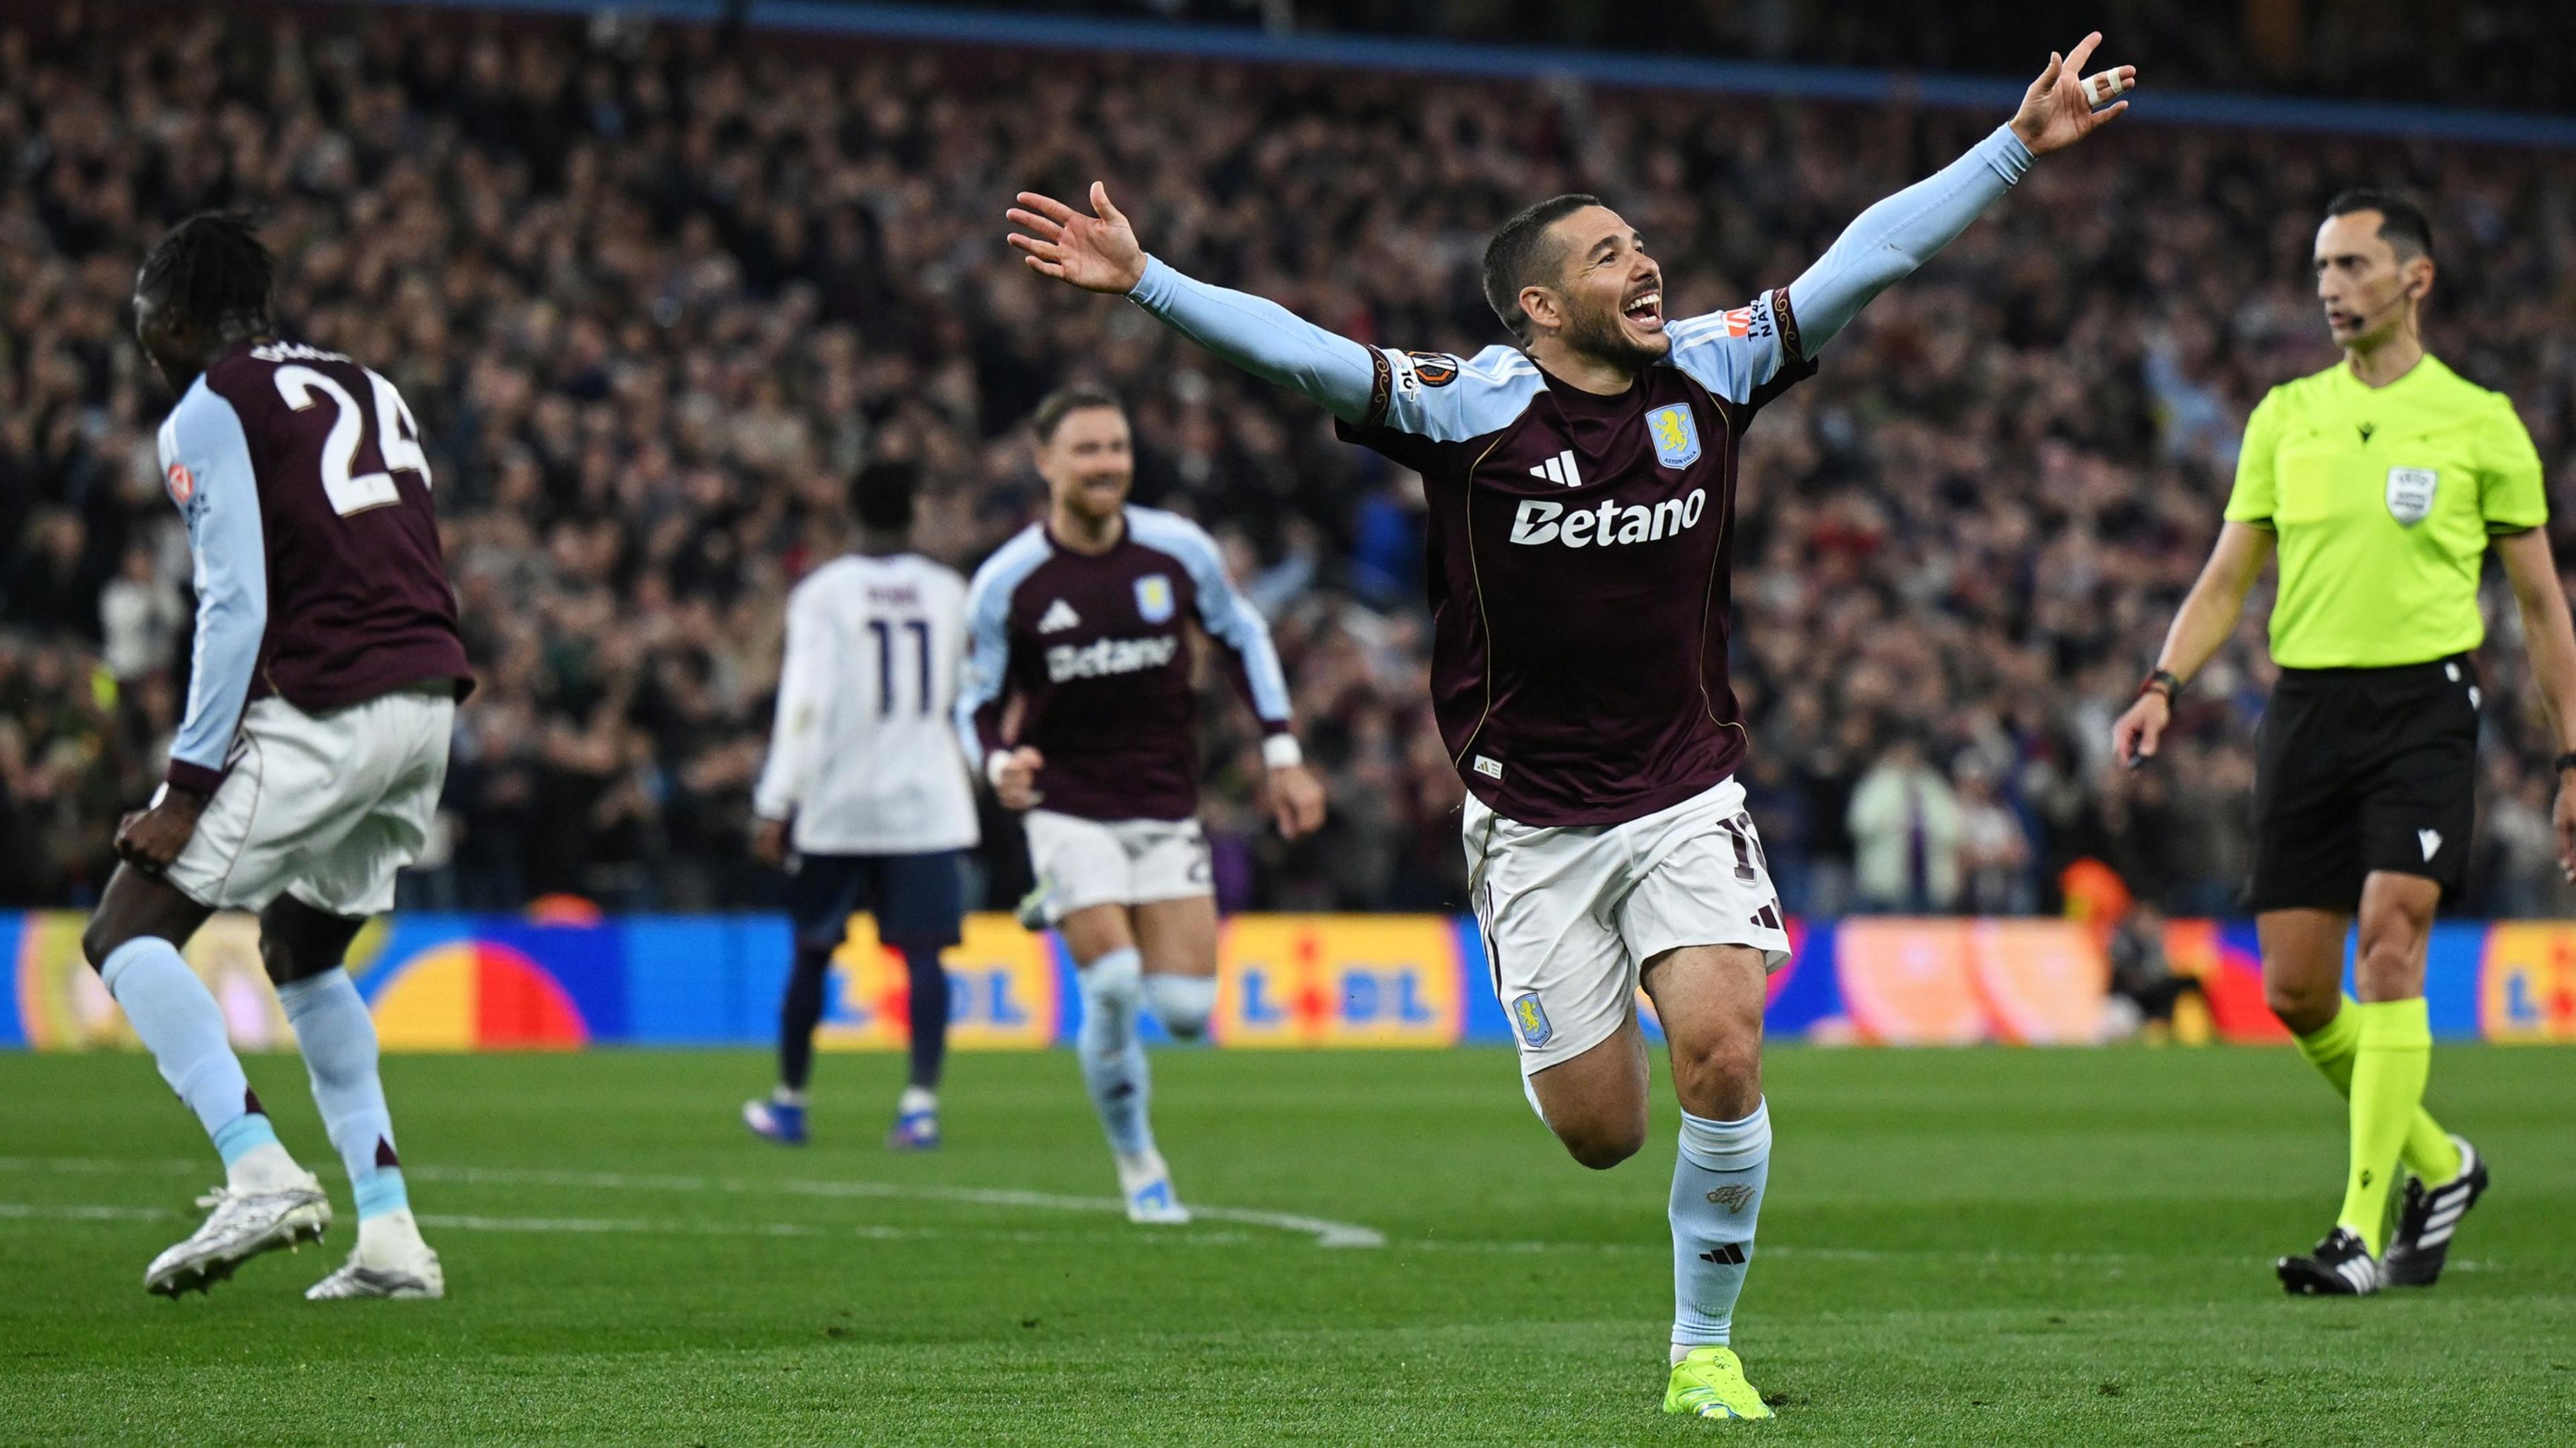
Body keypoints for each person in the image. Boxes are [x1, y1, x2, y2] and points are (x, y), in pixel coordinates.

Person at [1007, 36, 2134, 1419]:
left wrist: (2013, 147)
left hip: (1682, 789)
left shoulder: (1715, 372)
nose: (1645, 264)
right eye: (1611, 256)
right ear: (1541, 305)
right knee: (1603, 1130)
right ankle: (1571, 1051)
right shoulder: (1473, 402)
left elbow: (1871, 258)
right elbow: (1306, 357)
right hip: (1531, 818)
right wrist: (1153, 285)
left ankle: (1702, 1349)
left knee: (1724, 1043)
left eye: (1643, 243)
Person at [2114, 189, 2576, 1294]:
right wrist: (2165, 678)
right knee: (2298, 989)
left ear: (2415, 279)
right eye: (2322, 266)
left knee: (2390, 941)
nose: (2331, 285)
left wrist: (2572, 758)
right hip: (2307, 711)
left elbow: (2543, 606)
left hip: (2424, 708)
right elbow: (2229, 575)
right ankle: (2440, 1160)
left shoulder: (2480, 422)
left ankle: (2361, 1230)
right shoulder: (2286, 416)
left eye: (2356, 264)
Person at [83, 214, 470, 1299]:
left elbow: (238, 599)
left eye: (144, 313)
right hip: (429, 697)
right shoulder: (369, 382)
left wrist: (188, 784)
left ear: (173, 309)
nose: (141, 335)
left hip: (331, 698)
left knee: (126, 927)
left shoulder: (210, 407)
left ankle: (257, 1164)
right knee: (303, 949)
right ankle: (390, 1232)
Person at [956, 385, 1328, 1223]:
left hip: (1164, 803)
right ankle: (1138, 1164)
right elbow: (973, 699)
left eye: (1116, 448)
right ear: (1046, 462)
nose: (1106, 465)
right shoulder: (1008, 581)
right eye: (1086, 450)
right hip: (1067, 804)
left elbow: (1244, 636)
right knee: (1116, 984)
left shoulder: (1177, 552)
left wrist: (1282, 754)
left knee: (1189, 1014)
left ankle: (1074, 903)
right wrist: (996, 762)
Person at [743, 460, 979, 1152]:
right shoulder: (948, 590)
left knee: (814, 952)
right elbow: (968, 693)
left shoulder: (824, 592)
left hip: (839, 803)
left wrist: (775, 800)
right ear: (913, 513)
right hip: (929, 800)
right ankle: (920, 1105)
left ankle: (790, 1101)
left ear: (851, 514)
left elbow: (805, 701)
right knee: (925, 955)